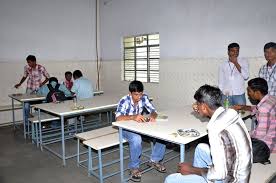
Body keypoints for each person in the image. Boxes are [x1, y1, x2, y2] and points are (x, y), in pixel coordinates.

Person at [165, 85, 252, 183]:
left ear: (204, 106)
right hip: (242, 172)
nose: (195, 106)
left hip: (232, 180)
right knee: (201, 148)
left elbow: (220, 174)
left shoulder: (214, 128)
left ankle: (197, 176)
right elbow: (213, 114)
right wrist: (202, 110)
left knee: (170, 179)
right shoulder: (231, 112)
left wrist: (191, 169)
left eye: (197, 104)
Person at [115, 80, 166, 182]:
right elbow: (118, 118)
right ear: (130, 93)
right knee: (136, 139)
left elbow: (153, 110)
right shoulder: (124, 100)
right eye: (136, 94)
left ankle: (154, 160)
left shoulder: (144, 97)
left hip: (139, 127)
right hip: (125, 129)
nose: (139, 97)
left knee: (162, 133)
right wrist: (133, 117)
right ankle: (134, 167)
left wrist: (152, 116)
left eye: (140, 94)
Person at [233, 78, 276, 153]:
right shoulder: (271, 99)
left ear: (257, 93)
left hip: (268, 145)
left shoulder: (264, 109)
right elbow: (256, 108)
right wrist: (243, 107)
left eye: (249, 91)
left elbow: (259, 135)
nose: (248, 93)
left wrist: (244, 134)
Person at [14, 55, 50, 128]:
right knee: (26, 105)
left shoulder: (41, 68)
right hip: (29, 88)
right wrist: (20, 83)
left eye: (29, 62)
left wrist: (42, 84)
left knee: (39, 106)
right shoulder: (26, 67)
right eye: (28, 62)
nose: (28, 64)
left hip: (38, 89)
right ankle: (27, 123)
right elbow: (25, 76)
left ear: (34, 61)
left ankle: (38, 122)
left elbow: (48, 77)